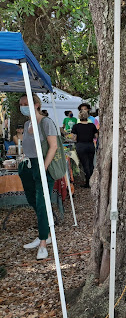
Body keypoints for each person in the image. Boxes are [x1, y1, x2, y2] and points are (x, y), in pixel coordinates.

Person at [18, 94, 58, 260]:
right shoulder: (27, 124)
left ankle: (43, 243)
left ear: (36, 104)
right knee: (33, 200)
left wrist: (44, 166)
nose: (23, 106)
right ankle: (45, 233)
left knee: (42, 203)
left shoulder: (46, 122)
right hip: (27, 166)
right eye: (21, 104)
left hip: (43, 166)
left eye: (26, 103)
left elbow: (53, 146)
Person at [71, 110, 98, 188]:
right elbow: (96, 136)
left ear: (79, 117)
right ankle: (93, 181)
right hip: (90, 145)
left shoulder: (76, 126)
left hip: (81, 146)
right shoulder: (92, 125)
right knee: (91, 163)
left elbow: (74, 138)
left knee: (84, 164)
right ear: (87, 116)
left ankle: (88, 182)